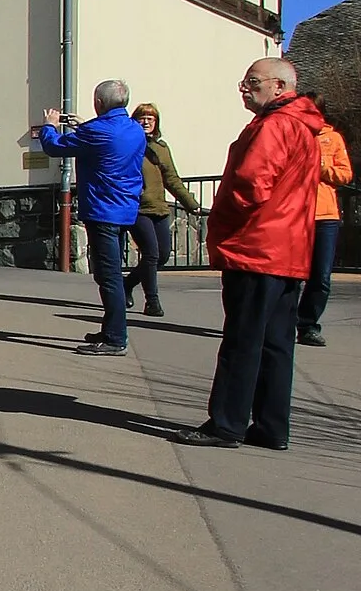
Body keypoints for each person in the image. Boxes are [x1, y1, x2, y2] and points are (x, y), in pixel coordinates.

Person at [179, 59, 323, 451]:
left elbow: (250, 184)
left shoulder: (275, 126)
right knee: (276, 343)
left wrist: (222, 219)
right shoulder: (303, 127)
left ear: (279, 86)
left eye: (253, 81)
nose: (244, 87)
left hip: (258, 247)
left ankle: (226, 424)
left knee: (243, 339)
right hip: (288, 250)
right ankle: (272, 426)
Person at [36, 82, 148, 352]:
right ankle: (111, 329)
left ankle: (115, 338)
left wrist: (49, 125)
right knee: (112, 275)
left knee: (108, 277)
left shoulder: (95, 132)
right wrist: (83, 126)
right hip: (125, 209)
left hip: (102, 210)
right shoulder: (134, 129)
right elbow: (105, 139)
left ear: (98, 101)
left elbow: (55, 146)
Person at [129, 103, 199, 318]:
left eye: (151, 118)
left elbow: (172, 179)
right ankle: (152, 301)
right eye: (142, 117)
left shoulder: (161, 148)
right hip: (138, 209)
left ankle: (127, 283)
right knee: (150, 253)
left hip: (159, 207)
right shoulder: (129, 145)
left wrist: (190, 204)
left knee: (163, 255)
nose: (147, 121)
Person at [296, 109, 352, 348]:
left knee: (321, 276)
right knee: (289, 275)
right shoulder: (293, 134)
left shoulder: (333, 138)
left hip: (325, 215)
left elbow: (345, 174)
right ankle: (280, 322)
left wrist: (322, 167)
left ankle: (308, 325)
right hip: (295, 213)